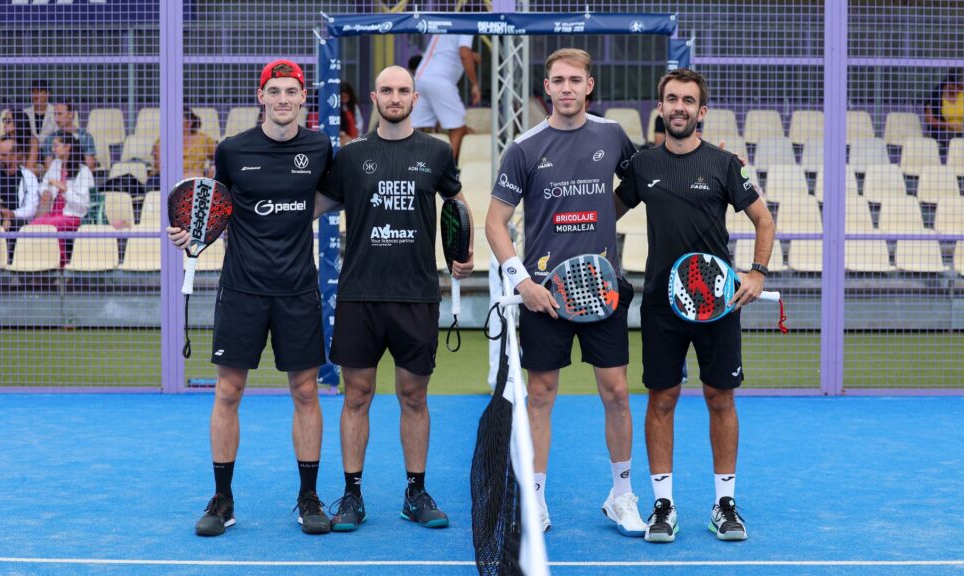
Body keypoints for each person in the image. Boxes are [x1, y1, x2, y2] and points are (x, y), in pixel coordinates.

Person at [165, 59, 334, 537]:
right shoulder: (232, 150)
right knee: (227, 391)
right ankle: (222, 498)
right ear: (261, 97)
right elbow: (215, 208)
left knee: (305, 392)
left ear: (304, 99)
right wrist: (192, 234)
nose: (283, 99)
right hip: (241, 290)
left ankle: (308, 498)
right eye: (274, 91)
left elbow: (336, 195)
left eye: (291, 92)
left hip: (298, 290)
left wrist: (300, 213)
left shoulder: (321, 148)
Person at [484, 48, 644, 537]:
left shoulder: (612, 135)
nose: (568, 87)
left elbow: (641, 184)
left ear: (589, 85)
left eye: (576, 79)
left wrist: (602, 216)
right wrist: (523, 282)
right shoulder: (524, 147)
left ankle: (622, 496)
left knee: (617, 393)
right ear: (546, 88)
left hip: (602, 291)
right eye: (559, 80)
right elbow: (494, 224)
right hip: (544, 296)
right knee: (540, 394)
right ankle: (534, 499)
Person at [615, 68, 775, 543]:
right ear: (660, 108)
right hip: (662, 305)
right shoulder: (642, 166)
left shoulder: (725, 165)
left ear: (701, 111)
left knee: (719, 398)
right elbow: (606, 216)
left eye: (688, 100)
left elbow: (763, 222)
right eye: (671, 99)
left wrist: (756, 272)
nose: (679, 107)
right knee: (661, 400)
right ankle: (663, 505)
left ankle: (725, 505)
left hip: (718, 305)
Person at [316, 65, 473, 533]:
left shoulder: (437, 152)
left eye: (403, 90)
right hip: (359, 296)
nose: (395, 96)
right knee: (357, 395)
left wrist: (462, 255)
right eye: (386, 89)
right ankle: (351, 494)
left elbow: (459, 209)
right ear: (374, 96)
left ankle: (415, 492)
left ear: (415, 97)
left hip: (416, 296)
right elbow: (310, 207)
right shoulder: (350, 155)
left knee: (413, 396)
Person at [411, 34, 481, 163]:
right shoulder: (466, 24)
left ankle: (408, 167)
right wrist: (475, 83)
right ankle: (443, 170)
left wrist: (473, 56)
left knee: (414, 128)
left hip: (420, 79)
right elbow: (464, 53)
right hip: (440, 80)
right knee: (458, 127)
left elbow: (447, 51)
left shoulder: (446, 20)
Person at [33, 134, 92, 267]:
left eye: (56, 146)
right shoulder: (55, 164)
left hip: (74, 215)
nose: (53, 150)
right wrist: (45, 192)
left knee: (53, 226)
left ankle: (59, 264)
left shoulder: (84, 171)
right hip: (54, 212)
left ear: (67, 147)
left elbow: (84, 204)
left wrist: (65, 190)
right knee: (34, 225)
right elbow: (44, 184)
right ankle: (38, 265)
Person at [0, 137, 41, 262]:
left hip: (18, 221)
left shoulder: (29, 177)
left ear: (16, 156)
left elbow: (31, 209)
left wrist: (11, 214)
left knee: (15, 226)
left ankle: (11, 264)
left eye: (4, 155)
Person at [924, 68, 964, 159]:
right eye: (958, 86)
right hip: (942, 132)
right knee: (958, 141)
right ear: (949, 84)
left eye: (962, 87)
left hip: (962, 132)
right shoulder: (936, 95)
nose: (960, 90)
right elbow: (929, 120)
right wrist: (947, 125)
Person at [41, 100, 97, 171]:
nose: (56, 118)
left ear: (71, 114)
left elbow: (90, 168)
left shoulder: (85, 137)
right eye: (55, 114)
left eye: (60, 114)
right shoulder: (50, 139)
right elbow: (48, 169)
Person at [23, 79, 58, 144]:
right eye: (33, 92)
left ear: (47, 94)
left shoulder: (56, 112)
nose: (35, 95)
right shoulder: (25, 113)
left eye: (39, 91)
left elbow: (59, 134)